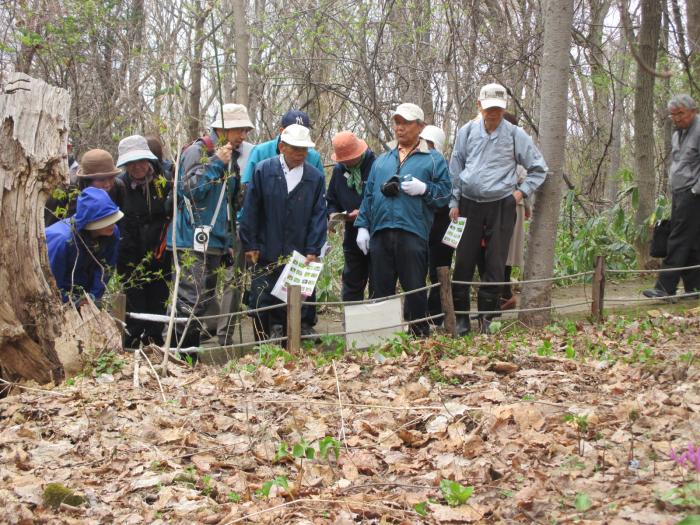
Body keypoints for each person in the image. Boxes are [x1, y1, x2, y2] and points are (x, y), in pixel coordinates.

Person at [449, 83, 548, 334]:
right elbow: (456, 167)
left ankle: (487, 318)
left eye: (498, 109)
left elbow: (539, 168)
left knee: (495, 262)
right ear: (479, 105)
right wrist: (454, 201)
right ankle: (461, 318)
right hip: (469, 203)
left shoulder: (516, 134)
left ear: (505, 109)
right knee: (463, 261)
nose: (493, 113)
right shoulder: (467, 131)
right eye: (489, 108)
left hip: (501, 204)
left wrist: (519, 194)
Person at [355, 103, 451, 337]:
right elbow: (369, 196)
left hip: (412, 231)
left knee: (415, 286)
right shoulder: (382, 160)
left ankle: (419, 333)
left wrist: (425, 189)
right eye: (397, 122)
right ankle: (381, 336)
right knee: (380, 288)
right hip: (381, 232)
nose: (400, 128)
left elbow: (446, 193)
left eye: (406, 123)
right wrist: (363, 227)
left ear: (420, 127)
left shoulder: (434, 160)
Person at [166, 103, 254, 349]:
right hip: (189, 239)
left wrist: (227, 243)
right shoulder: (198, 152)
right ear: (222, 128)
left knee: (203, 302)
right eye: (239, 130)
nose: (243, 136)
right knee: (188, 301)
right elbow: (189, 191)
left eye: (245, 130)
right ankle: (178, 354)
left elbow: (228, 205)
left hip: (214, 242)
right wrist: (216, 162)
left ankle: (188, 354)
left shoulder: (232, 157)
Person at [239, 124, 327, 340]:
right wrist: (249, 244)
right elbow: (251, 209)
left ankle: (291, 350)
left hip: (298, 253)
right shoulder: (263, 170)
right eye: (295, 148)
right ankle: (261, 347)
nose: (300, 154)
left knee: (293, 303)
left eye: (304, 149)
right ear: (282, 147)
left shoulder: (314, 177)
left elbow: (318, 215)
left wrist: (313, 248)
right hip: (266, 248)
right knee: (261, 300)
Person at [115, 135, 173, 347]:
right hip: (130, 259)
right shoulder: (118, 187)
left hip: (160, 257)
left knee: (158, 305)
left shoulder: (164, 183)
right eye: (131, 163)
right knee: (134, 308)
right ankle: (130, 347)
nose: (137, 167)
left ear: (149, 160)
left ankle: (154, 346)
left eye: (141, 161)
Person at [644, 94, 700, 299]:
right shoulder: (678, 133)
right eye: (673, 115)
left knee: (677, 238)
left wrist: (695, 191)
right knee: (692, 242)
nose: (677, 118)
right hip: (679, 193)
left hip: (693, 195)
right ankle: (695, 289)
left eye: (681, 114)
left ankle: (665, 288)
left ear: (693, 111)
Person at [46, 185, 122, 306]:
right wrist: (69, 302)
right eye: (106, 220)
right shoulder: (62, 241)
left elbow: (106, 268)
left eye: (113, 218)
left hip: (84, 293)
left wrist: (93, 296)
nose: (112, 224)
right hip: (62, 295)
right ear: (90, 222)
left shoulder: (112, 232)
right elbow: (51, 281)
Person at [326, 131, 376, 301]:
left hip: (376, 231)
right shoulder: (339, 171)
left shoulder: (376, 166)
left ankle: (378, 320)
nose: (346, 162)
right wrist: (333, 214)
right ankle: (352, 320)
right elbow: (331, 199)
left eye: (350, 158)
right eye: (343, 159)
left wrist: (362, 213)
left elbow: (382, 198)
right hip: (352, 233)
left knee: (378, 279)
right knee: (352, 279)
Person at [419, 125, 453, 325]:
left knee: (439, 271)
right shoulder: (415, 163)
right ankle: (417, 313)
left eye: (430, 144)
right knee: (417, 270)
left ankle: (437, 313)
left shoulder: (445, 167)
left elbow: (447, 196)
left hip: (442, 226)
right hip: (420, 225)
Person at [45, 149, 126, 227]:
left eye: (111, 177)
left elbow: (118, 222)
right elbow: (51, 229)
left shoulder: (118, 187)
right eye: (101, 179)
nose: (107, 184)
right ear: (87, 180)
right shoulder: (64, 192)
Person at [241, 110, 324, 185]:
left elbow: (320, 190)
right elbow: (247, 187)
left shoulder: (313, 157)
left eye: (302, 133)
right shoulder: (260, 152)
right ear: (281, 131)